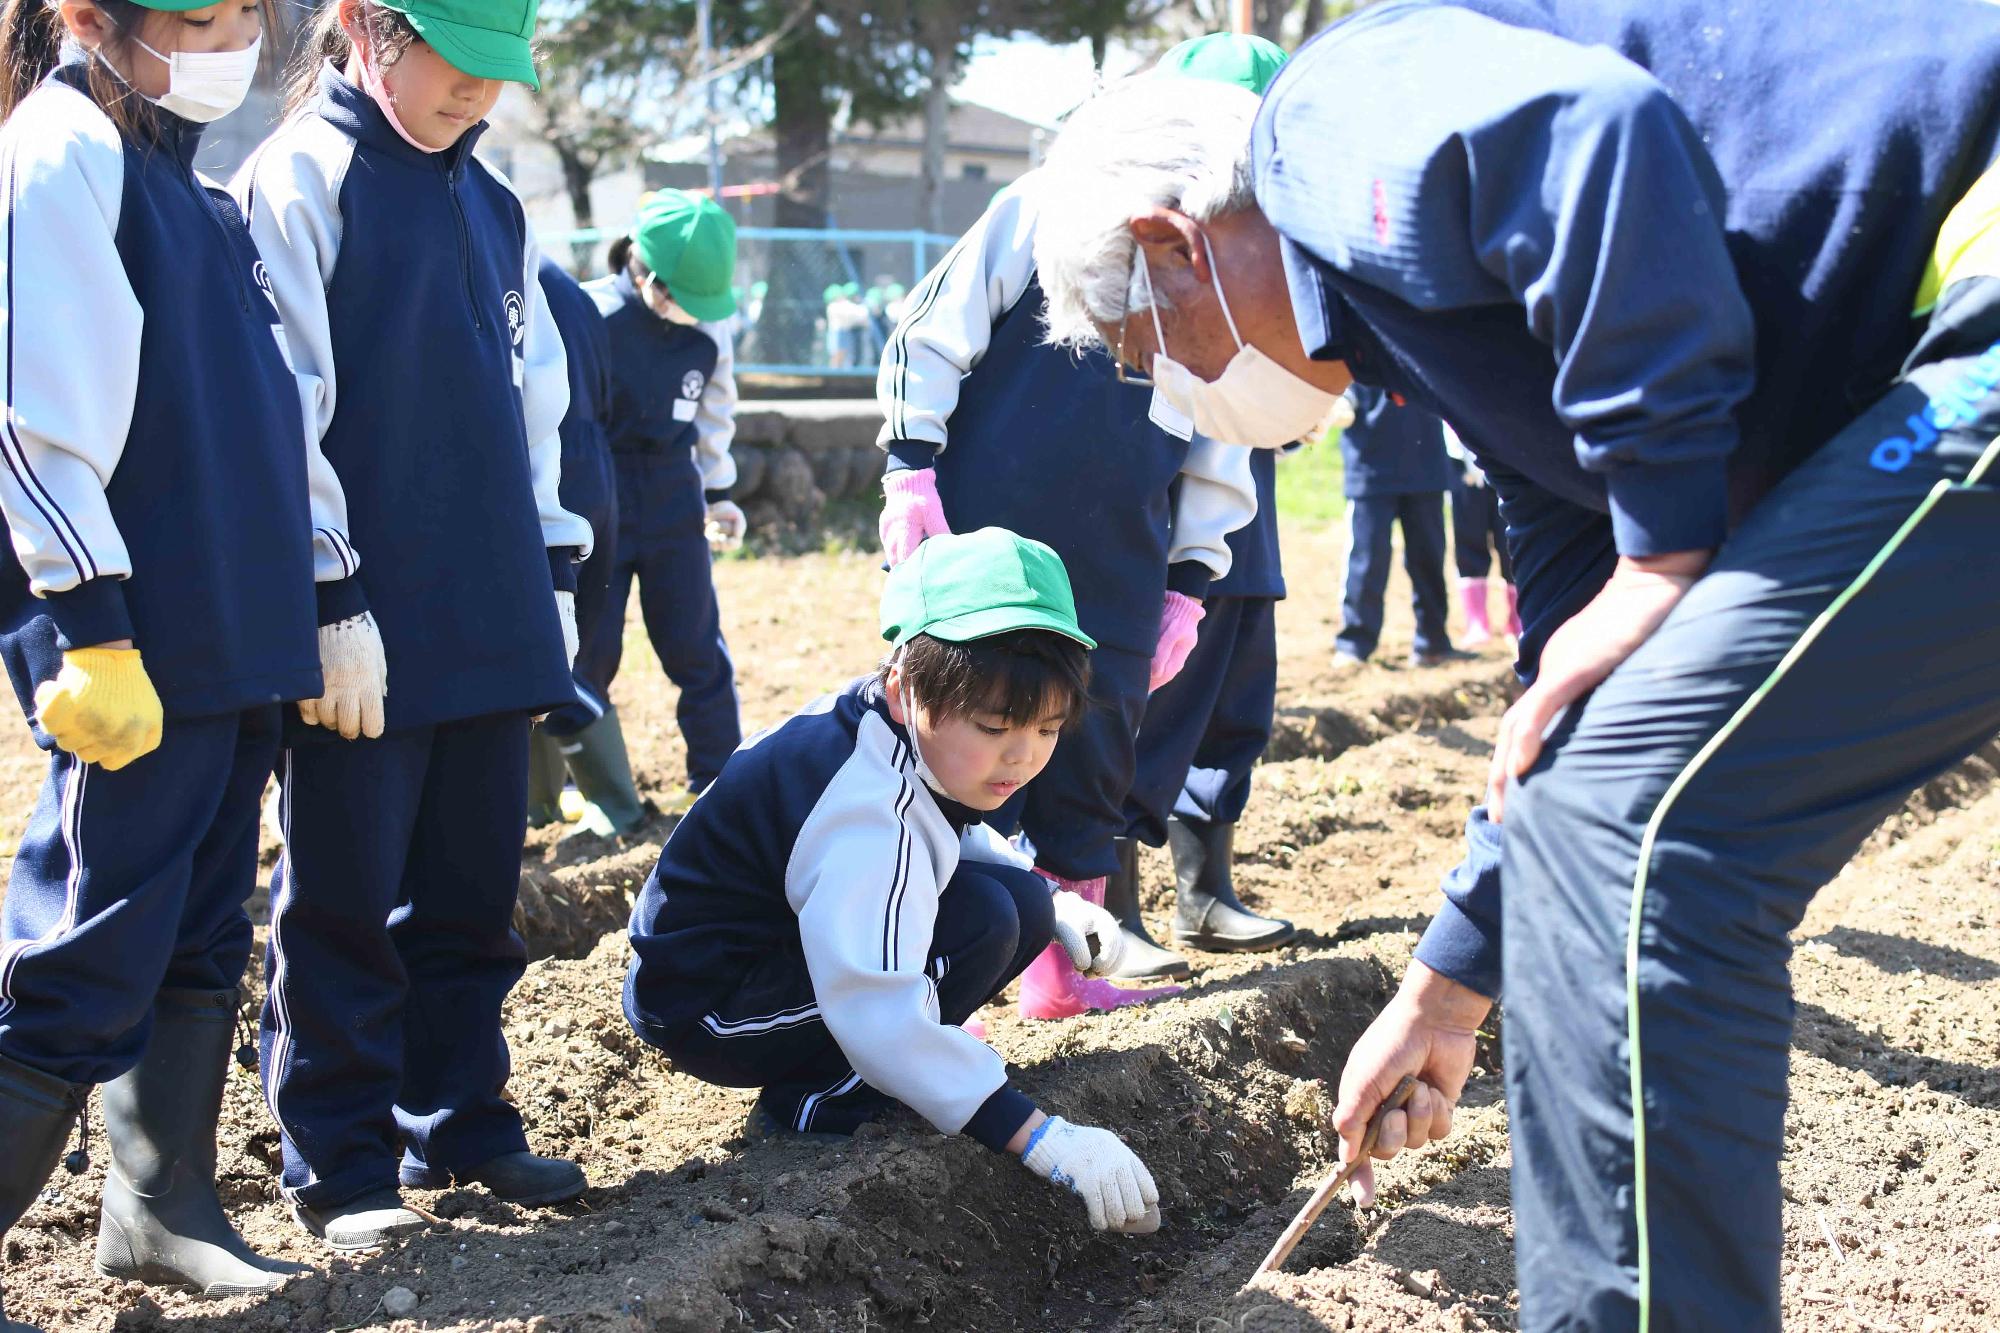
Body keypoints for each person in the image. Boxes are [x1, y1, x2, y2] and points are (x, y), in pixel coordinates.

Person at [1027, 2, 2000, 1326]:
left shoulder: (1327, 118)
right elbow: (1570, 716)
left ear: (1170, 245)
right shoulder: (1468, 368)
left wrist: (1663, 548)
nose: (1178, 394)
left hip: (1974, 269)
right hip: (1924, 365)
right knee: (1607, 806)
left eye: (1149, 351)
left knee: (1633, 844)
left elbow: (1598, 137)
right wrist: (1446, 988)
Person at [235, 0, 593, 1250]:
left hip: (487, 599)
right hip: (369, 610)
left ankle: (462, 1119)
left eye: (502, 73)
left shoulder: (492, 202)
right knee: (343, 889)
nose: (478, 94)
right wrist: (331, 588)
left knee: (470, 888)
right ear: (366, 29)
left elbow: (532, 401)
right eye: (459, 62)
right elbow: (285, 400)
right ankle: (339, 1156)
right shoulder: (298, 178)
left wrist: (551, 565)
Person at [0, 0, 323, 1313]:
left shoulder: (192, 190)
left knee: (198, 927)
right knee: (89, 942)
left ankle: (159, 1205)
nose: (229, 39)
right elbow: (33, 417)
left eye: (243, 13)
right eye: (198, 15)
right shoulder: (59, 149)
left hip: (226, 633)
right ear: (92, 17)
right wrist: (92, 628)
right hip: (132, 639)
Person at [875, 34, 1276, 1021]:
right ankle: (935, 978)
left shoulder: (1226, 270)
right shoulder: (1041, 207)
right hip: (990, 546)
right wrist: (910, 466)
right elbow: (933, 331)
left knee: (1090, 757)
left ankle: (1059, 971)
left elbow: (1223, 433)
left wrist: (1192, 574)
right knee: (977, 746)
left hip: (1123, 560)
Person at [624, 528, 1161, 1234]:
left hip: (779, 953)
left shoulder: (891, 728)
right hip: (712, 1004)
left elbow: (948, 825)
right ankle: (817, 1098)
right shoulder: (866, 808)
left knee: (1020, 904)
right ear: (911, 689)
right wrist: (1039, 1136)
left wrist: (1056, 896)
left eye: (1047, 729)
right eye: (997, 726)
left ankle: (865, 1077)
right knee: (987, 923)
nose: (1022, 756)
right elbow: (876, 1008)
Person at [580, 190, 744, 809]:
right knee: (591, 647)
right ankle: (596, 790)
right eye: (680, 299)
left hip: (674, 491)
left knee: (696, 642)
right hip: (600, 490)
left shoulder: (707, 322)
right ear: (642, 270)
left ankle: (720, 783)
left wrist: (718, 491)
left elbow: (715, 409)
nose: (691, 315)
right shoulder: (589, 314)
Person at [1111, 447, 1292, 980]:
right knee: (1151, 720)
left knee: (1236, 712)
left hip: (1248, 510)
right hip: (1174, 509)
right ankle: (1111, 912)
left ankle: (1206, 896)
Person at [525, 256, 622, 831]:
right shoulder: (576, 293)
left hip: (548, 459)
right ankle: (542, 800)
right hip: (596, 462)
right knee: (580, 639)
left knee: (540, 647)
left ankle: (611, 803)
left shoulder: (501, 265)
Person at [1333, 384, 1454, 668]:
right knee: (1367, 560)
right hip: (1370, 466)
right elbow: (1336, 377)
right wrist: (1341, 399)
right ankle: (1355, 644)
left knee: (1429, 558)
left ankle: (1433, 642)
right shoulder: (1357, 340)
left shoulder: (1433, 341)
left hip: (1427, 465)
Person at [1444, 422, 1519, 648]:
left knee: (1510, 540)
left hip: (1506, 455)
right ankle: (1476, 621)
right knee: (1468, 538)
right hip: (1461, 462)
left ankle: (1518, 619)